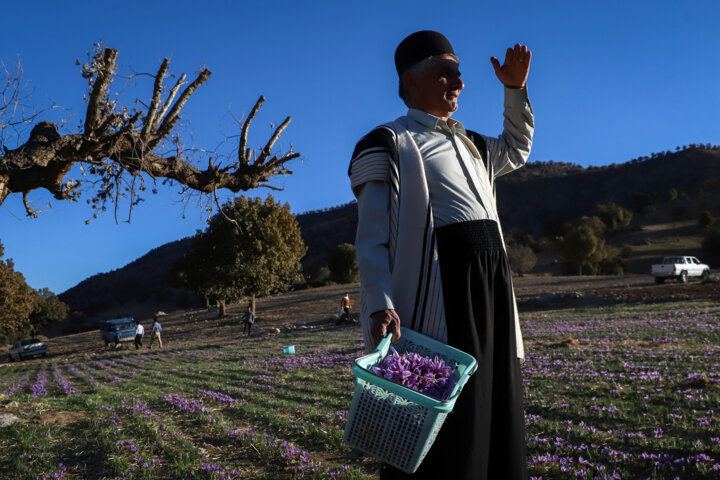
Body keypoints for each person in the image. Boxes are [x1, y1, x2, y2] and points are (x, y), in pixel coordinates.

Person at [348, 31, 533, 479]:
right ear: (412, 81)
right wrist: (379, 303)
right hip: (442, 288)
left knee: (496, 402)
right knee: (449, 418)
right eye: (446, 72)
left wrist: (515, 89)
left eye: (459, 72)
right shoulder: (389, 141)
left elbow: (518, 149)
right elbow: (371, 237)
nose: (459, 82)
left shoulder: (473, 144)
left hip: (492, 285)